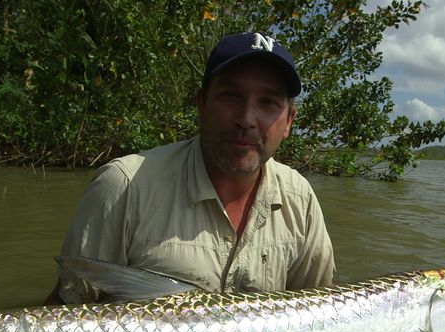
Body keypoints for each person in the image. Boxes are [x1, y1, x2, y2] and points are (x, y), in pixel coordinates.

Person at [45, 32, 335, 304]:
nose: (246, 119)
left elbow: (319, 314)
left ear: (288, 122)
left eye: (268, 102)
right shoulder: (124, 186)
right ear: (201, 104)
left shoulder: (301, 199)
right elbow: (64, 312)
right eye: (230, 96)